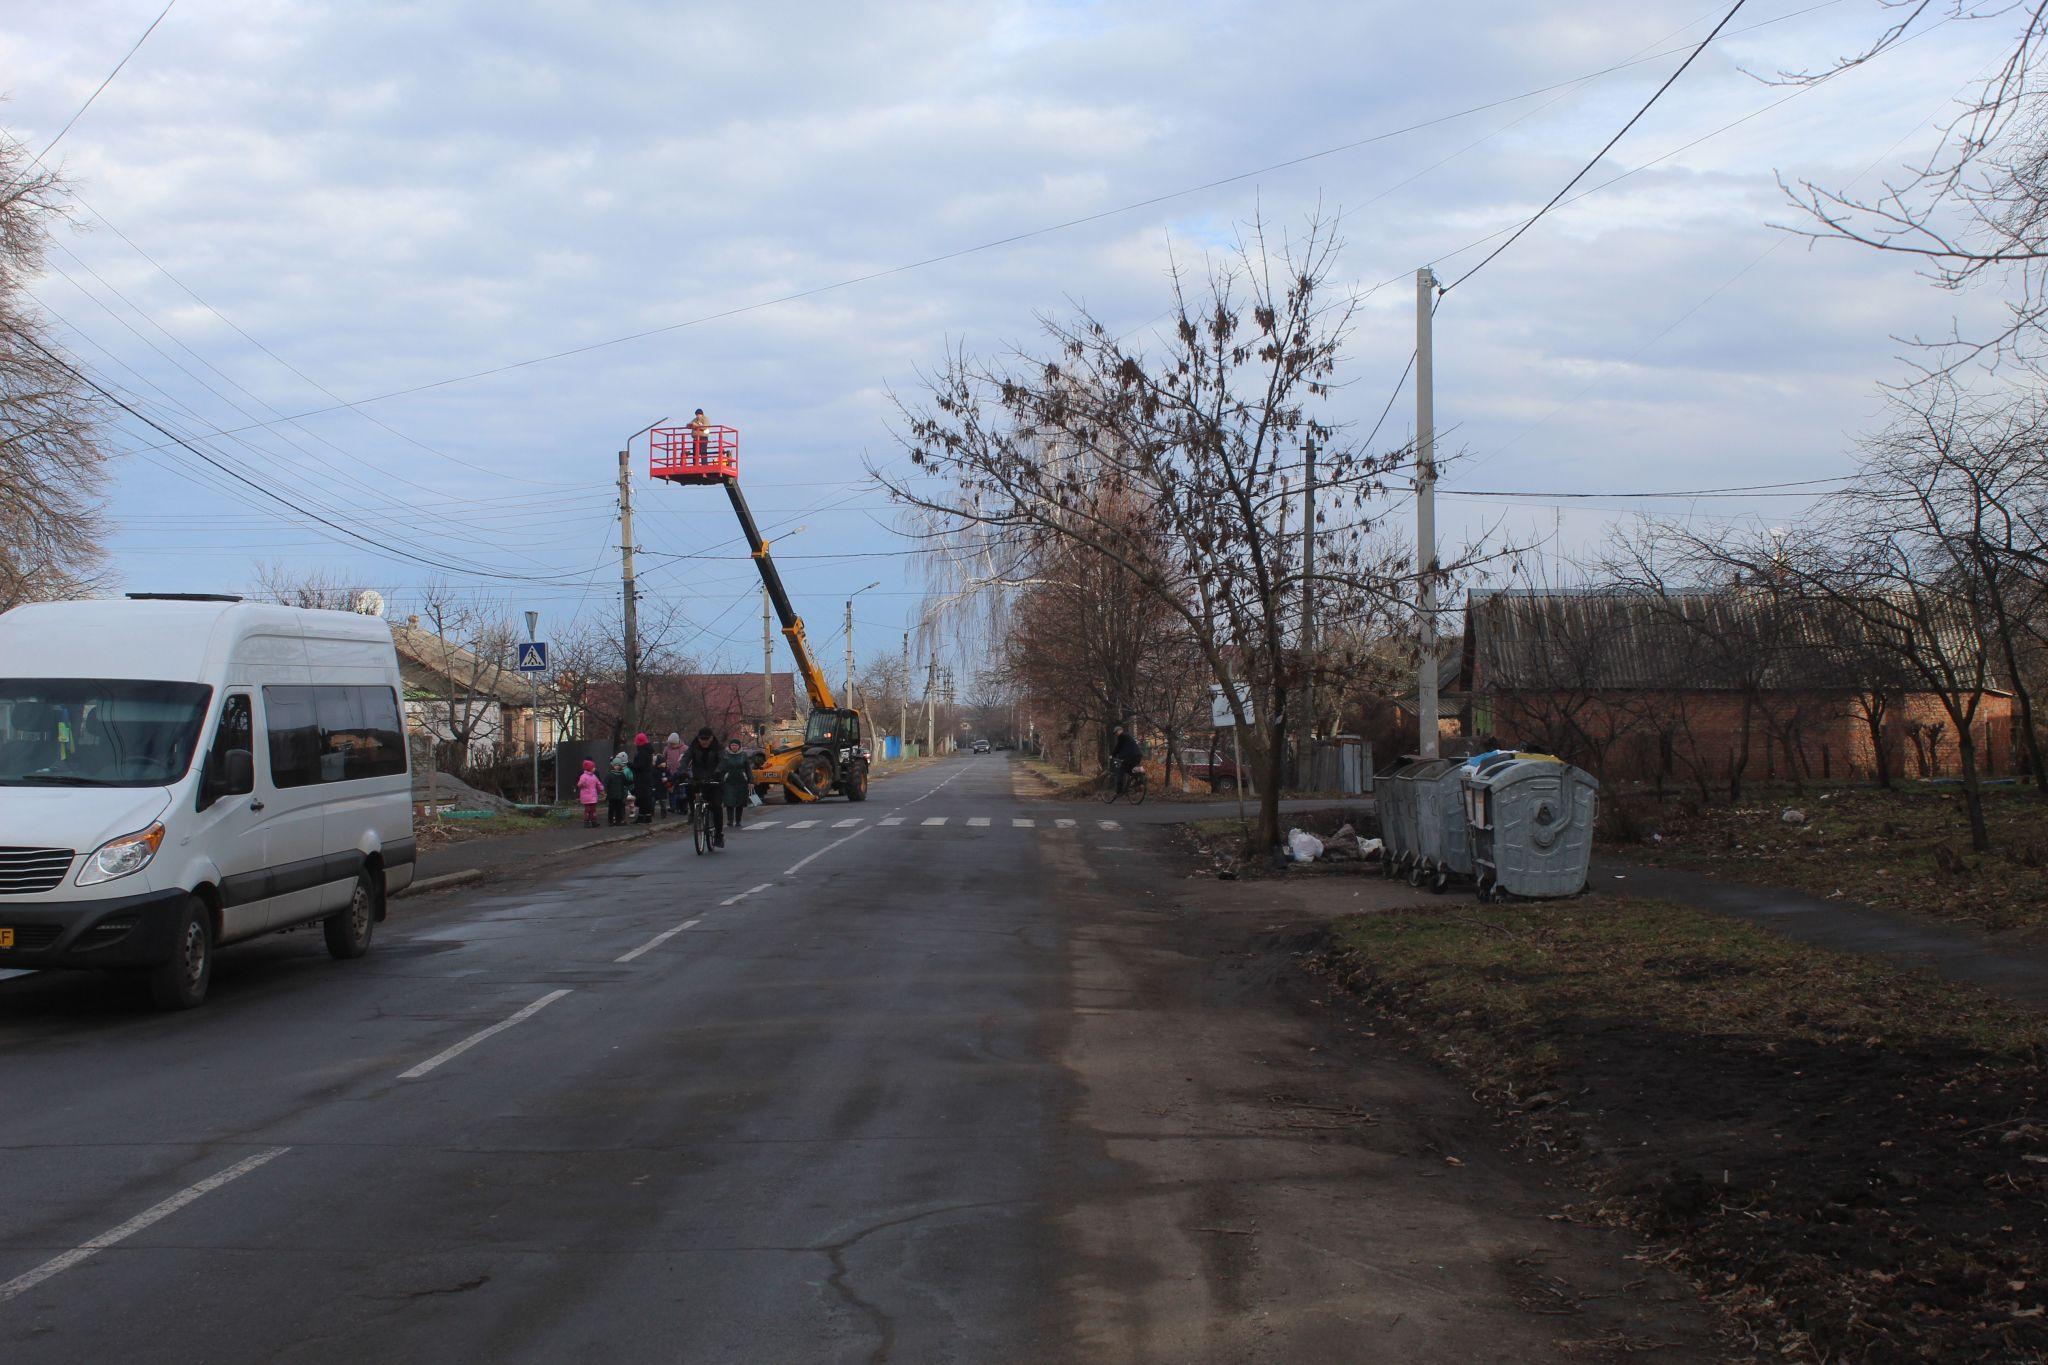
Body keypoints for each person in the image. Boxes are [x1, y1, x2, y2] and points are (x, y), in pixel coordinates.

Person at [682, 726, 725, 847]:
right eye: (702, 739)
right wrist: (682, 771)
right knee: (689, 789)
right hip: (698, 778)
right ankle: (694, 812)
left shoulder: (718, 747)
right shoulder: (694, 746)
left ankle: (718, 835)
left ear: (711, 738)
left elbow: (723, 762)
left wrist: (718, 772)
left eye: (706, 739)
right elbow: (685, 759)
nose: (704, 741)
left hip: (714, 779)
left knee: (716, 805)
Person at [719, 736, 753, 830]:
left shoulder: (743, 755)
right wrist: (721, 778)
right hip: (729, 781)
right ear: (730, 746)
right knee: (729, 801)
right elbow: (721, 768)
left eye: (736, 745)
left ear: (739, 746)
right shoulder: (725, 755)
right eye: (732, 745)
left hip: (741, 781)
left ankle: (738, 821)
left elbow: (748, 769)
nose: (734, 747)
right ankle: (730, 821)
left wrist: (750, 781)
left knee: (740, 802)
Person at [1111, 723, 1144, 795]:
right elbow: (1123, 747)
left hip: (1130, 757)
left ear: (1120, 730)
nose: (1116, 734)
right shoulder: (1129, 736)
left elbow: (1118, 747)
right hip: (1138, 755)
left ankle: (1119, 791)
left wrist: (1113, 755)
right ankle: (1139, 777)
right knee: (1130, 769)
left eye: (1116, 732)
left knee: (1120, 771)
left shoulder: (1122, 736)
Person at [632, 731, 658, 823]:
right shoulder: (648, 751)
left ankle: (644, 816)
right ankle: (645, 816)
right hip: (646, 777)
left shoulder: (642, 753)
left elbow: (640, 766)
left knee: (643, 797)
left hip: (642, 778)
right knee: (645, 797)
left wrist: (630, 765)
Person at [604, 751, 632, 827]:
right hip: (612, 795)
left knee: (618, 808)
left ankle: (618, 820)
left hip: (620, 794)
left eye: (618, 765)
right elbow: (606, 783)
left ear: (620, 766)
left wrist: (630, 783)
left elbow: (626, 782)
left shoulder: (622, 774)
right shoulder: (610, 774)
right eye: (616, 765)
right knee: (611, 808)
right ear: (613, 765)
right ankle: (610, 821)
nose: (617, 767)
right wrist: (605, 791)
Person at [663, 731, 688, 813]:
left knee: (681, 791)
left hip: (682, 773)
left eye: (673, 743)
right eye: (671, 743)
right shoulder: (667, 749)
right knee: (671, 791)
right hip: (670, 772)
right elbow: (664, 758)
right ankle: (673, 807)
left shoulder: (685, 748)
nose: (672, 745)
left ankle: (683, 808)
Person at [575, 758, 604, 828]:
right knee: (587, 810)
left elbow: (598, 783)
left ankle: (593, 821)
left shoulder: (594, 776)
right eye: (593, 767)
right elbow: (579, 784)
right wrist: (582, 784)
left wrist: (601, 789)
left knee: (593, 810)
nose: (594, 768)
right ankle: (586, 822)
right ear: (589, 768)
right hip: (587, 797)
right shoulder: (583, 776)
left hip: (593, 796)